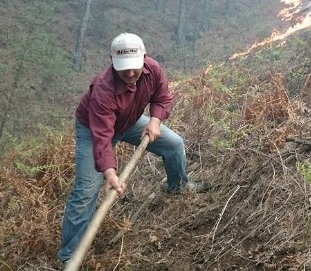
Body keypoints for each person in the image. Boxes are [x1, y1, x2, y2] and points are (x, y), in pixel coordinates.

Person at [58, 32, 207, 264]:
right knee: (86, 190)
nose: (130, 73)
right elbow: (102, 137)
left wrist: (155, 120)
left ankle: (178, 187)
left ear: (144, 58)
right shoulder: (103, 90)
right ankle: (69, 255)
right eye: (123, 68)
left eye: (134, 67)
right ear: (112, 61)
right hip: (95, 129)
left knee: (174, 144)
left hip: (131, 121)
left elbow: (162, 97)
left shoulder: (152, 69)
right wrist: (109, 172)